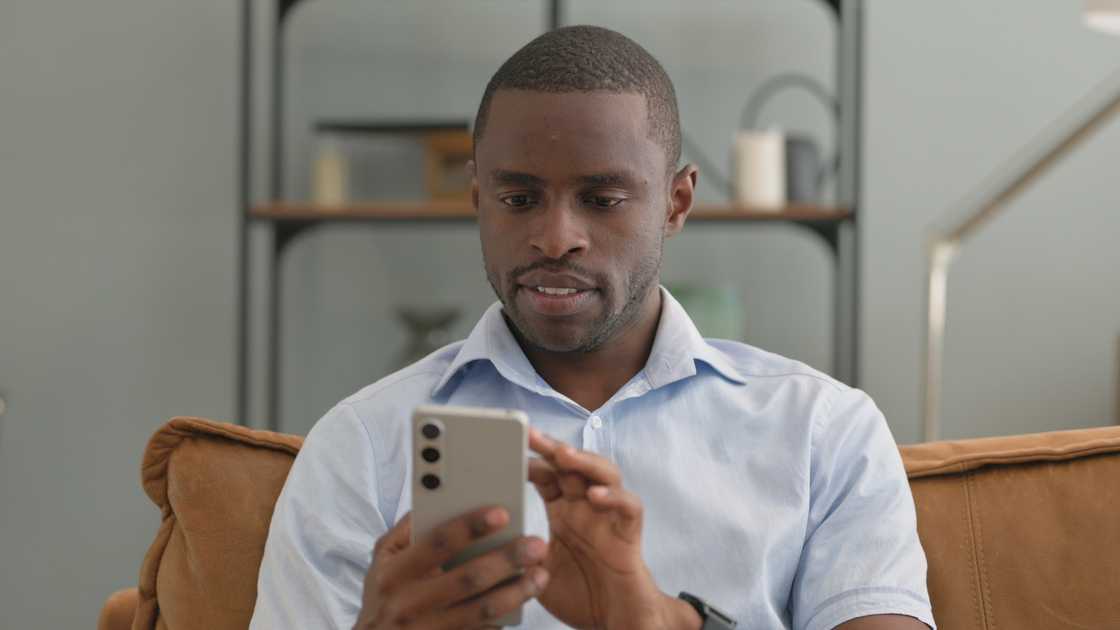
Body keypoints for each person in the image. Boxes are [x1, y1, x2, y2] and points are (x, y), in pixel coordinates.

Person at [249, 25, 935, 630]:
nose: (555, 237)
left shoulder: (824, 433)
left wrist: (665, 624)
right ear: (477, 198)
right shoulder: (362, 445)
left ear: (677, 201)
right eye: (519, 199)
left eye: (602, 200)